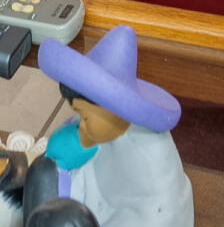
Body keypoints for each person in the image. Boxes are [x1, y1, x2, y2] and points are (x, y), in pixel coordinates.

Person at [30, 27, 190, 227]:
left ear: (112, 112)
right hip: (96, 206)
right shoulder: (105, 134)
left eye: (86, 117)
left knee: (66, 221)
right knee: (42, 173)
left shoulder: (151, 158)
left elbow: (162, 212)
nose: (81, 124)